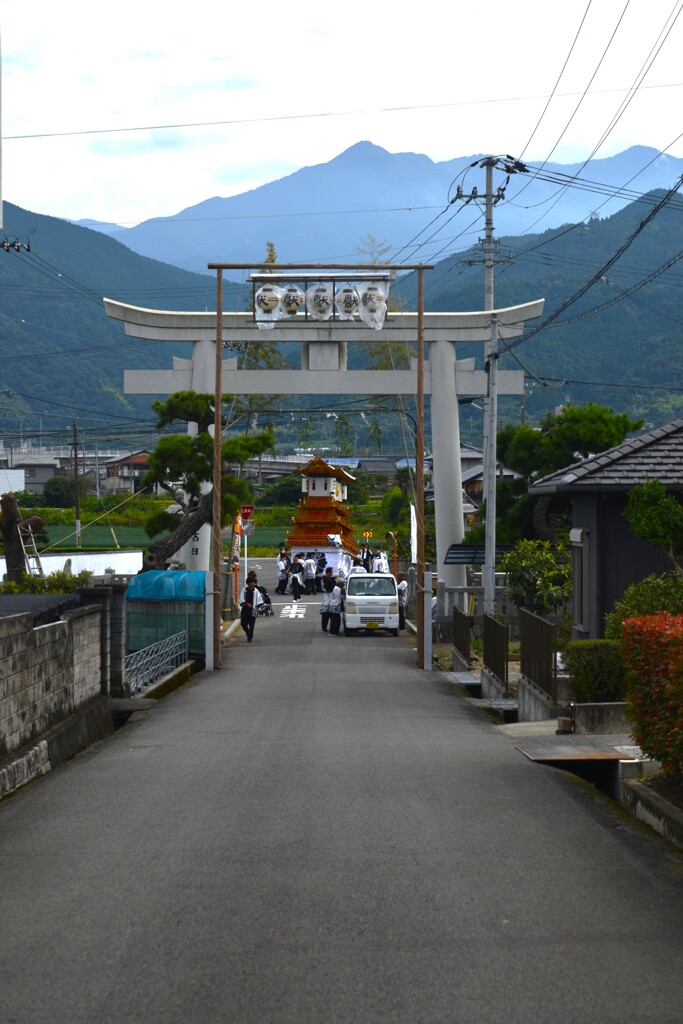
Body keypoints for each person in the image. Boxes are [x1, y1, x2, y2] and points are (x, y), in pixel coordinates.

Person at [240, 578, 263, 642]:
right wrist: (246, 604)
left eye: (254, 582)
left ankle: (250, 637)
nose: (253, 583)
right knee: (243, 623)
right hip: (245, 609)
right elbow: (241, 598)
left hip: (253, 610)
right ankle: (248, 633)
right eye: (252, 582)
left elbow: (259, 600)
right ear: (248, 583)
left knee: (251, 624)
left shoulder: (256, 591)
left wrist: (259, 607)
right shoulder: (244, 590)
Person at [319, 566, 336, 632]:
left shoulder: (323, 578)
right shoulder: (328, 579)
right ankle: (329, 627)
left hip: (325, 595)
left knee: (324, 612)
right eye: (331, 572)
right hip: (329, 595)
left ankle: (324, 627)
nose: (332, 573)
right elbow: (333, 587)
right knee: (329, 612)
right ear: (329, 572)